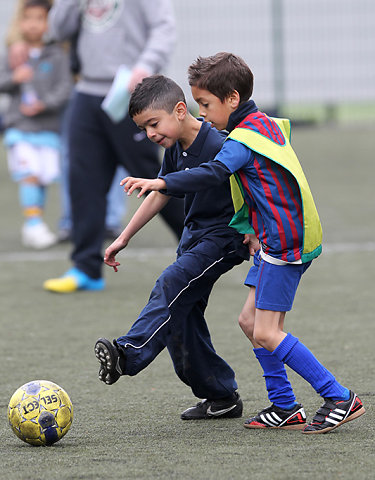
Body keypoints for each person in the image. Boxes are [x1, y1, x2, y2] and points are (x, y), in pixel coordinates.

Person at [121, 52, 366, 434]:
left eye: (205, 104)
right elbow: (257, 185)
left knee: (267, 331)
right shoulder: (263, 124)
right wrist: (251, 225)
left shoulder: (239, 140)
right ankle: (285, 406)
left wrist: (162, 182)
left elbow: (214, 172)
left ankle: (338, 396)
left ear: (231, 99)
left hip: (285, 244)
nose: (202, 114)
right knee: (250, 321)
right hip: (276, 239)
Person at [94, 75, 250, 420]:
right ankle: (220, 396)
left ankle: (127, 353)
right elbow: (161, 193)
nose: (150, 134)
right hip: (194, 237)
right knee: (181, 317)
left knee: (172, 281)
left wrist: (257, 231)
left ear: (180, 111)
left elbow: (217, 178)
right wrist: (124, 237)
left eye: (153, 123)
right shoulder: (175, 147)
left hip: (223, 238)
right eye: (144, 128)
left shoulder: (220, 143)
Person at [42, 0, 184, 293]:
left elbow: (164, 28)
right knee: (83, 180)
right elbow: (57, 29)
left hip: (130, 93)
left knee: (153, 178)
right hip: (86, 92)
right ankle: (86, 268)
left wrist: (145, 65)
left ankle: (203, 247)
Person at [0, 0, 72, 249]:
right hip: (19, 127)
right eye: (28, 18)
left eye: (39, 18)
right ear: (20, 22)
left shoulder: (58, 54)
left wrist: (44, 103)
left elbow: (65, 88)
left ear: (49, 22)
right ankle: (34, 223)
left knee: (41, 178)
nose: (33, 24)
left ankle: (34, 222)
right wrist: (14, 77)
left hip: (48, 130)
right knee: (28, 175)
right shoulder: (12, 53)